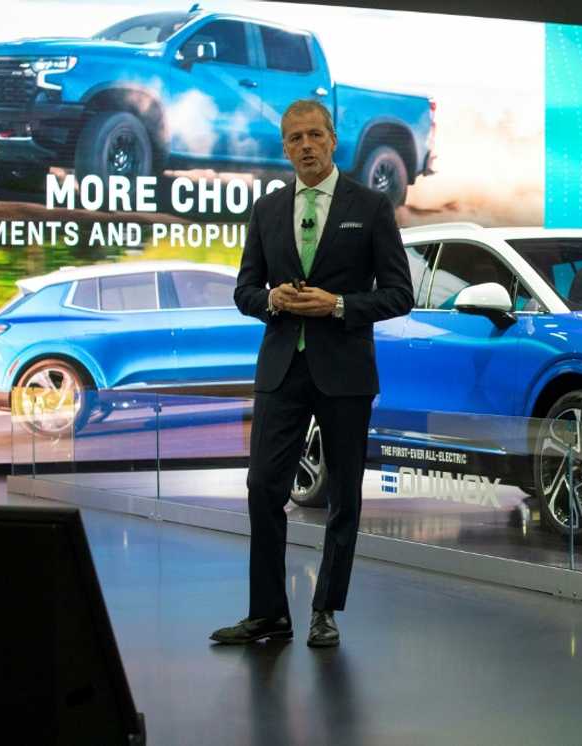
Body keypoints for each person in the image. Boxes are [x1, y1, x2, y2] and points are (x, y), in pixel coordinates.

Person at [211, 100, 413, 647]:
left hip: (345, 372)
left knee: (343, 496)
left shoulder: (370, 207)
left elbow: (400, 294)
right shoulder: (267, 210)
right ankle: (269, 613)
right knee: (261, 488)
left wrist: (339, 305)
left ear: (332, 139)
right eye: (295, 137)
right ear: (285, 147)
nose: (306, 145)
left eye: (315, 135)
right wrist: (271, 298)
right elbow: (244, 291)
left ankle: (326, 609)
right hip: (281, 369)